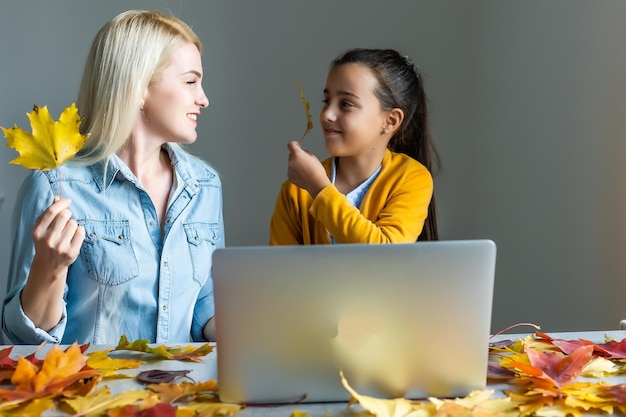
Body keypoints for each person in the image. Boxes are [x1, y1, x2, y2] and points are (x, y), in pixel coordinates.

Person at [2, 10, 224, 345]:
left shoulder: (205, 186)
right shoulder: (55, 185)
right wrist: (48, 270)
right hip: (90, 395)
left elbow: (205, 306)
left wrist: (257, 330)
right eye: (191, 81)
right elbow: (19, 343)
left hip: (180, 393)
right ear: (138, 87)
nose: (203, 99)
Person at [269, 48, 439, 245]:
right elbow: (279, 270)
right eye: (327, 100)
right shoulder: (295, 191)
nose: (326, 115)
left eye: (346, 104)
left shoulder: (411, 178)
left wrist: (319, 189)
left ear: (390, 121)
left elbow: (387, 254)